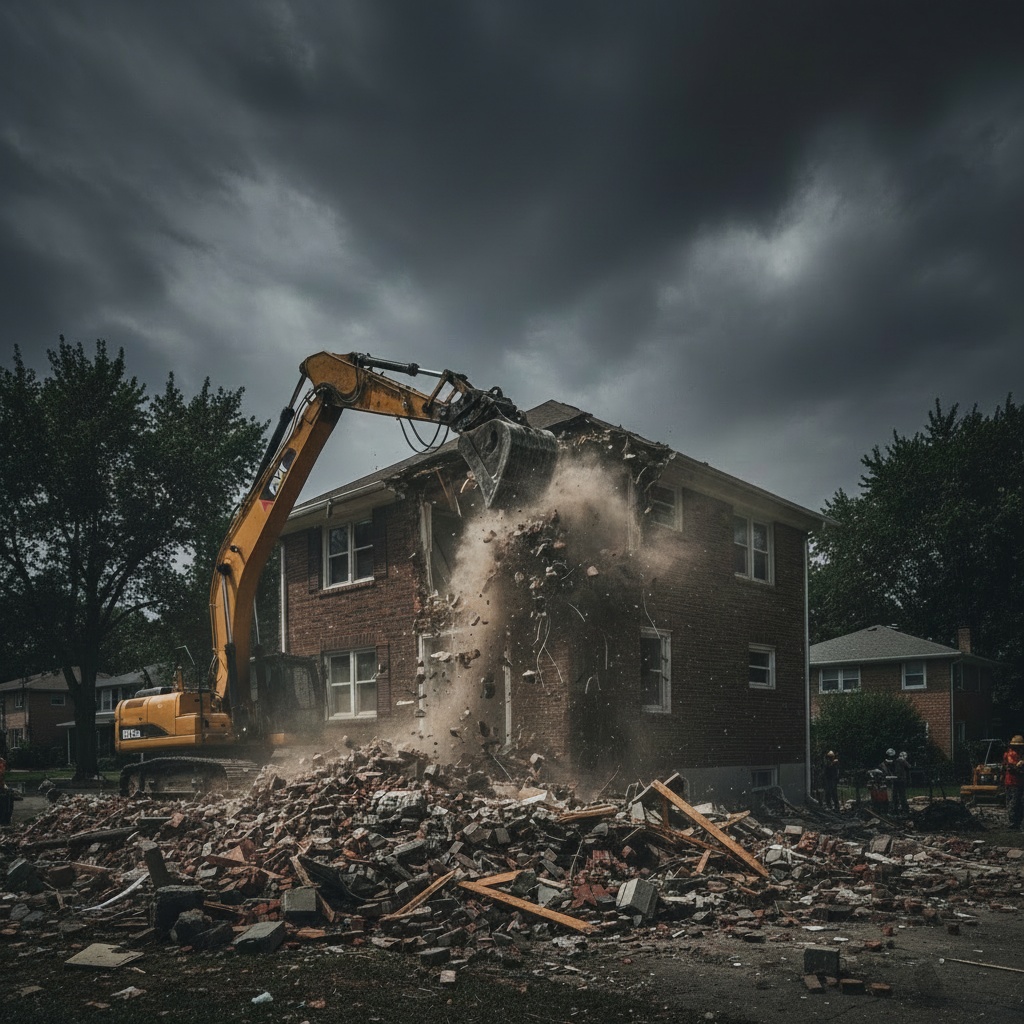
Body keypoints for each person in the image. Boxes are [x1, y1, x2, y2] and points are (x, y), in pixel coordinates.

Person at [1003, 735, 1024, 830]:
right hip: (1012, 782)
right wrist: (1019, 767)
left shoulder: (1018, 755)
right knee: (1013, 803)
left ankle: (1016, 822)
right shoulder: (1011, 754)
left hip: (1017, 782)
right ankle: (1012, 823)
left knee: (1017, 803)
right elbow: (1011, 768)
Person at [893, 750, 911, 816]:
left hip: (896, 779)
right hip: (901, 780)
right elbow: (909, 766)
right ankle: (905, 809)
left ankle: (896, 808)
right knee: (902, 795)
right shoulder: (903, 761)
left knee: (895, 794)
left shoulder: (896, 761)